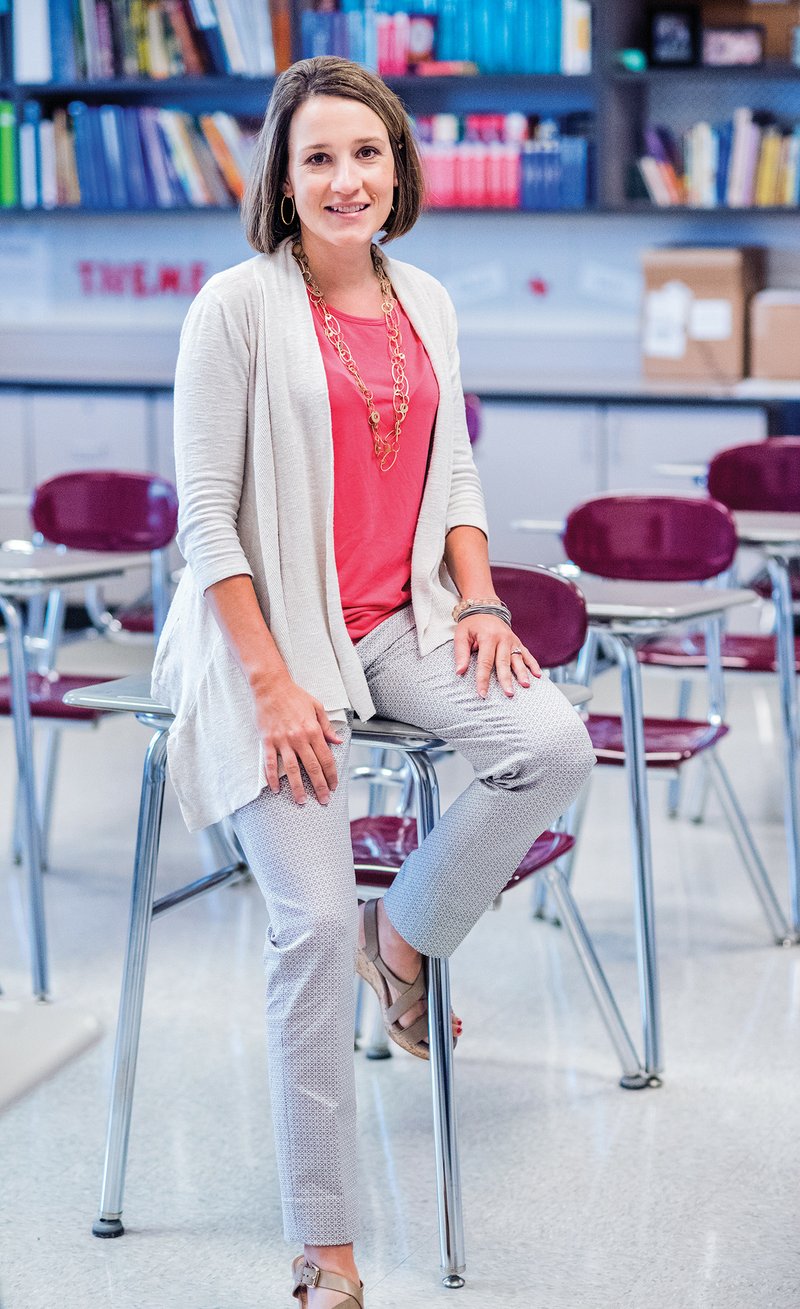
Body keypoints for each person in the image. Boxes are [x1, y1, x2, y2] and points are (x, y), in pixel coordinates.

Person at [152, 55, 595, 1309]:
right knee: (299, 930)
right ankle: (324, 1242)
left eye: (366, 154)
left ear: (396, 165)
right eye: (318, 159)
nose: (346, 179)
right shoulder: (232, 308)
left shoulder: (429, 302)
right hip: (268, 637)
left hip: (402, 616)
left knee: (551, 745)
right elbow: (207, 523)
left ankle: (397, 937)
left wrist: (481, 598)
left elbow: (454, 476)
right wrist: (275, 685)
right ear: (282, 183)